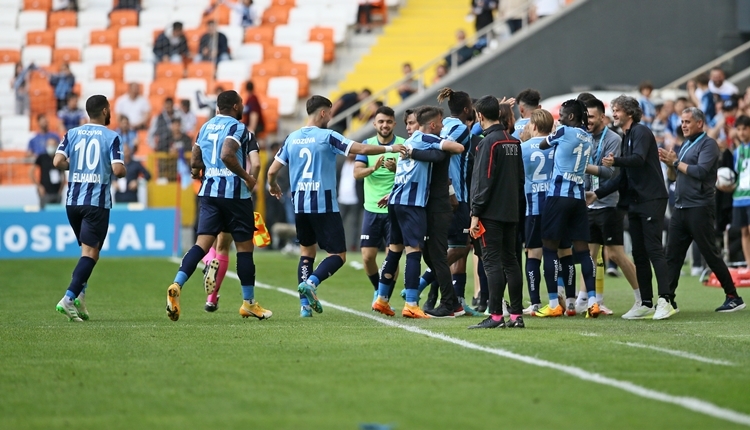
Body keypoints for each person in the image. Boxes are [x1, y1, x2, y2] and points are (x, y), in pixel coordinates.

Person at [266, 95, 404, 317]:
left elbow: (272, 171)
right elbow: (360, 149)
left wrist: (272, 186)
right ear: (323, 113)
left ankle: (304, 307)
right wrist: (389, 149)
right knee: (338, 255)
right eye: (329, 113)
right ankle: (312, 282)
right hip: (323, 204)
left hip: (300, 205)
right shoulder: (328, 136)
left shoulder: (292, 138)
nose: (331, 117)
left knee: (306, 252)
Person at [166, 90, 271, 322]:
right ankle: (249, 303)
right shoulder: (239, 128)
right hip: (235, 195)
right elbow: (228, 155)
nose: (243, 107)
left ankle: (177, 283)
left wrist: (196, 172)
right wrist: (248, 178)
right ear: (235, 106)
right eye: (241, 104)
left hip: (208, 194)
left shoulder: (205, 127)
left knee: (201, 245)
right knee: (244, 249)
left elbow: (195, 157)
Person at [587, 95, 671, 320]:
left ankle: (666, 300)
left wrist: (616, 161)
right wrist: (596, 193)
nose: (614, 113)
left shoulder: (641, 132)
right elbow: (622, 177)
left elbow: (639, 159)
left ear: (630, 113)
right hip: (634, 202)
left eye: (617, 110)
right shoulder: (627, 136)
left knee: (654, 249)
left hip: (651, 199)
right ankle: (645, 302)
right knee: (640, 253)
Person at [659, 107, 745, 314]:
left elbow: (700, 172)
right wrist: (670, 164)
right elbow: (673, 177)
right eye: (682, 121)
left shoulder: (709, 145)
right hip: (680, 207)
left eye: (688, 121)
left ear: (700, 123)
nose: (684, 125)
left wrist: (676, 162)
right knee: (673, 256)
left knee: (711, 254)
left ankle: (733, 296)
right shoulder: (685, 145)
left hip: (699, 207)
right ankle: (668, 299)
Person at [52, 94, 127, 321]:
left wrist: (78, 166)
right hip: (95, 202)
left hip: (72, 202)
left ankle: (80, 300)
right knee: (91, 253)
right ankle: (68, 298)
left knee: (88, 253)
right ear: (104, 111)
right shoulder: (112, 136)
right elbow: (118, 170)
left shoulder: (72, 133)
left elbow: (57, 162)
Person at [372, 106, 445, 319]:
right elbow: (441, 154)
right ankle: (411, 304)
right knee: (413, 251)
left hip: (396, 201)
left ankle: (382, 299)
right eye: (409, 123)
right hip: (412, 204)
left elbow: (403, 174)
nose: (411, 127)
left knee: (394, 250)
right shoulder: (420, 141)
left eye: (413, 123)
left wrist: (392, 194)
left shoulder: (405, 144)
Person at [533, 100, 598, 318]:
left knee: (549, 249)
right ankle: (593, 301)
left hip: (558, 196)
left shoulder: (563, 131)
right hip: (578, 199)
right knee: (582, 251)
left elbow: (543, 145)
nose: (558, 118)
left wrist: (554, 136)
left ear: (571, 117)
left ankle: (553, 304)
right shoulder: (589, 137)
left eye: (561, 114)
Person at [578, 97, 640, 315]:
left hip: (609, 204)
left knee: (615, 254)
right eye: (586, 117)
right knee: (589, 254)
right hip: (589, 202)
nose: (588, 121)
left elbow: (611, 173)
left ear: (602, 117)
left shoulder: (613, 139)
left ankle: (642, 297)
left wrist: (582, 167)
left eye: (592, 117)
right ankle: (585, 298)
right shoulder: (583, 137)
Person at [468, 95, 525, 329]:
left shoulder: (488, 144)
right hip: (512, 211)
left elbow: (484, 180)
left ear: (480, 115)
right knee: (511, 262)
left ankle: (495, 316)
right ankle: (516, 315)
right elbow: (521, 178)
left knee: (491, 263)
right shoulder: (514, 141)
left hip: (491, 213)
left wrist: (475, 213)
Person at [420, 88, 475, 314]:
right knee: (460, 248)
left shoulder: (444, 127)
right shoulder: (460, 129)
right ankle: (424, 285)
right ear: (466, 109)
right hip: (456, 198)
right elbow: (444, 155)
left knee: (453, 248)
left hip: (440, 196)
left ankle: (445, 299)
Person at [201, 131, 261, 313]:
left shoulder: (208, 130)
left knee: (206, 244)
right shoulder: (243, 134)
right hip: (236, 193)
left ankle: (208, 264)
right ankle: (211, 299)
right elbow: (256, 163)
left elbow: (196, 162)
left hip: (211, 192)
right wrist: (251, 181)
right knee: (225, 247)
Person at [353, 105, 404, 303]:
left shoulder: (403, 145)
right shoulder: (366, 145)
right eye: (381, 121)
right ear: (374, 123)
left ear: (394, 123)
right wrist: (373, 167)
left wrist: (395, 169)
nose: (385, 125)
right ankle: (378, 288)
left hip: (395, 209)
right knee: (367, 256)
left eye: (388, 121)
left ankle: (385, 295)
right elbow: (357, 173)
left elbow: (411, 175)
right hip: (371, 209)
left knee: (393, 254)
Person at [519, 109, 554, 315]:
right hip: (554, 206)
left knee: (533, 254)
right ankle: (559, 299)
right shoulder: (556, 146)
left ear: (533, 125)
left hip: (533, 207)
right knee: (555, 252)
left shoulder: (523, 148)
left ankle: (534, 302)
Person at [732, 115, 750, 267]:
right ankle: (749, 264)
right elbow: (736, 175)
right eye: (738, 129)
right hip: (739, 197)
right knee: (744, 231)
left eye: (745, 129)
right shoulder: (737, 151)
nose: (741, 132)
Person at [30, 137, 66, 209]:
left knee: (56, 214)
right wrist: (39, 186)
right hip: (45, 193)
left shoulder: (59, 158)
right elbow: (31, 172)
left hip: (57, 192)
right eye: (50, 145)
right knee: (44, 213)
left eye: (53, 145)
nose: (51, 147)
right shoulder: (42, 157)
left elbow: (63, 175)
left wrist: (61, 190)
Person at [338, 153, 362, 251]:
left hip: (354, 199)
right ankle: (337, 244)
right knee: (338, 223)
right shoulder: (341, 164)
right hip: (342, 198)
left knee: (354, 224)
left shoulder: (359, 165)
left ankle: (353, 246)